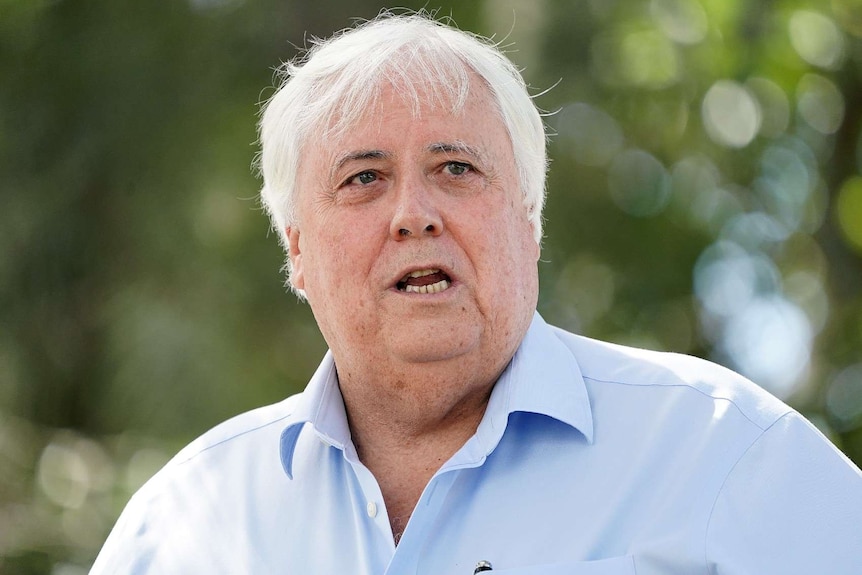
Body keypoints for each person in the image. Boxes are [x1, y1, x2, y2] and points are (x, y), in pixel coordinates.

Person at [91, 12, 862, 574]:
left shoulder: (726, 454)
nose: (413, 214)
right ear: (295, 248)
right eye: (364, 178)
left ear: (529, 220)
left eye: (456, 168)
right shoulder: (185, 523)